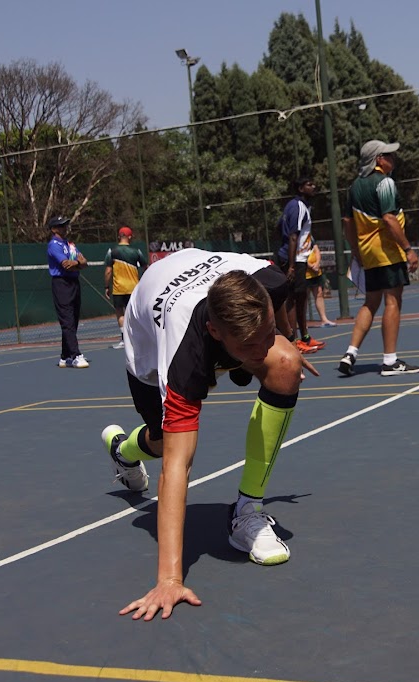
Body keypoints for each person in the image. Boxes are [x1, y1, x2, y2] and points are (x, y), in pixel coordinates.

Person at [102, 247, 318, 621]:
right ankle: (124, 451)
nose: (263, 349)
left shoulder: (272, 281)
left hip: (198, 281)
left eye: (266, 334)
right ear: (215, 332)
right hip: (148, 337)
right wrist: (169, 579)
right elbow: (178, 466)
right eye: (250, 345)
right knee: (163, 443)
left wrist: (284, 339)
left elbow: (272, 325)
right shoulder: (183, 358)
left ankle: (247, 511)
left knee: (285, 363)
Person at [338, 140, 419, 377]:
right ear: (378, 159)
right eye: (388, 155)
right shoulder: (385, 183)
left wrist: (356, 250)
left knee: (370, 302)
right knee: (393, 301)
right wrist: (408, 249)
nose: (393, 159)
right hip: (388, 252)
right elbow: (389, 218)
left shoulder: (355, 186)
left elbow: (347, 222)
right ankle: (390, 361)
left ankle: (350, 353)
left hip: (369, 254)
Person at [276, 176, 325, 354]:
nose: (314, 186)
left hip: (299, 259)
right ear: (300, 188)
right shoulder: (297, 207)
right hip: (294, 260)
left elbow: (279, 227)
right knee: (292, 299)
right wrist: (291, 265)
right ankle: (294, 341)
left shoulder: (300, 206)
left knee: (301, 297)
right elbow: (293, 236)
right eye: (309, 184)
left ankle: (305, 337)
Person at [47, 215, 89, 368]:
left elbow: (84, 262)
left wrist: (77, 263)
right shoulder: (53, 245)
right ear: (54, 229)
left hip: (74, 283)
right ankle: (76, 355)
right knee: (67, 320)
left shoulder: (70, 245)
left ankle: (65, 356)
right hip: (61, 284)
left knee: (74, 319)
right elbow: (66, 264)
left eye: (65, 225)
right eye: (61, 226)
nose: (65, 228)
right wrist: (78, 263)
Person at [104, 225, 147, 349]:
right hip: (133, 288)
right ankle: (136, 339)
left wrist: (106, 286)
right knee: (134, 314)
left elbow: (108, 271)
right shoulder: (136, 252)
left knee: (120, 313)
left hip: (119, 289)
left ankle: (124, 340)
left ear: (119, 236)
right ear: (130, 237)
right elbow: (146, 268)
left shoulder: (112, 252)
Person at [306, 244, 336, 327]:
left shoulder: (311, 239)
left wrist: (317, 263)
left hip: (316, 273)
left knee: (319, 293)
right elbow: (299, 257)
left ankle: (324, 319)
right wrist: (310, 265)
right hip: (304, 273)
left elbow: (316, 250)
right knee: (304, 297)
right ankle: (302, 322)